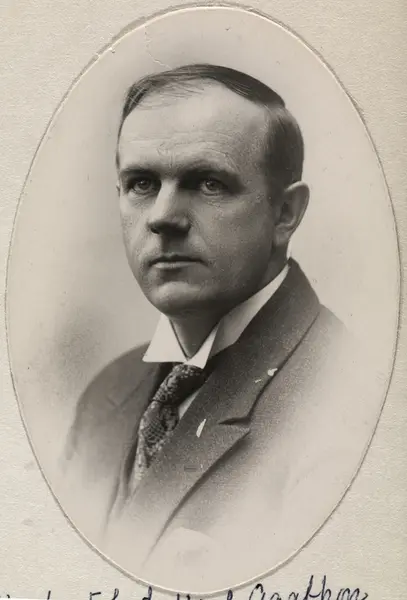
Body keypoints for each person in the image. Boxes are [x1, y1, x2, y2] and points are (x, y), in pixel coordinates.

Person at [61, 64, 369, 590]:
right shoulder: (104, 396)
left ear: (285, 214)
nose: (162, 216)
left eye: (208, 183)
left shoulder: (347, 403)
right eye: (141, 184)